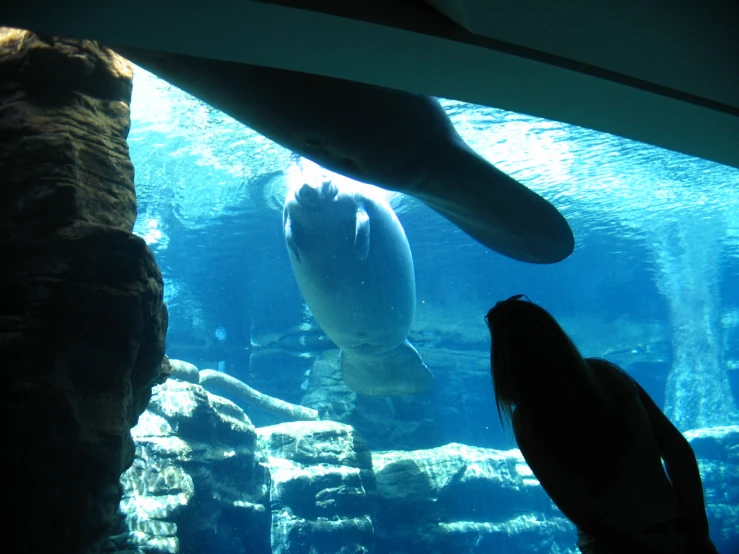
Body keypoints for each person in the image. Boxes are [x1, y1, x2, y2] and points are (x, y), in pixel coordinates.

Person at [484, 294, 718, 554]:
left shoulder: (528, 417)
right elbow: (678, 451)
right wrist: (699, 535)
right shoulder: (609, 376)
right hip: (676, 535)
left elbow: (580, 510)